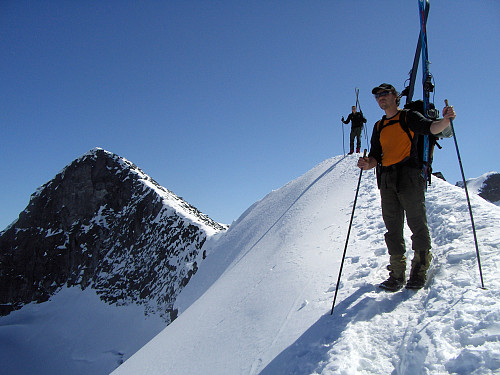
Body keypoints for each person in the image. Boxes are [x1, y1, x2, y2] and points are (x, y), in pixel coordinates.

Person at [357, 83, 456, 291]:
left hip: (409, 176)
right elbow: (376, 155)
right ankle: (397, 273)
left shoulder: (408, 116)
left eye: (384, 94)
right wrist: (368, 164)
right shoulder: (378, 126)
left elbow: (430, 128)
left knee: (416, 223)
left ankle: (419, 270)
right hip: (386, 179)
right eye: (377, 95)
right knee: (392, 227)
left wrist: (446, 120)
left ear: (395, 96)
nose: (380, 98)